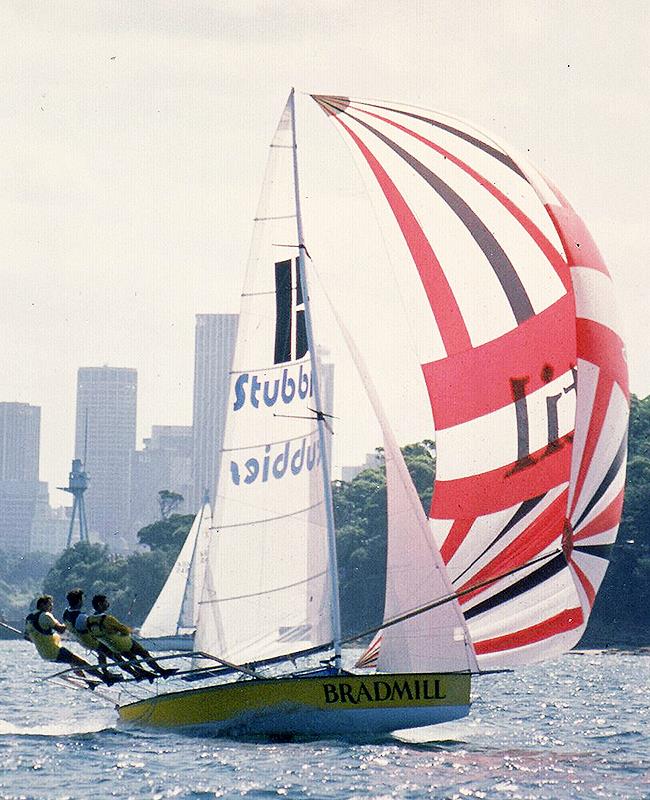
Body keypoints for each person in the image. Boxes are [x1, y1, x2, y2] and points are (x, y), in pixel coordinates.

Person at [24, 595, 119, 687]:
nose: (51, 607)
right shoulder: (46, 615)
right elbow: (60, 629)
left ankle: (89, 682)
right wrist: (69, 624)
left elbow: (27, 637)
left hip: (44, 654)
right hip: (54, 651)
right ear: (42, 605)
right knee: (81, 662)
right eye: (49, 604)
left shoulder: (29, 618)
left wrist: (38, 639)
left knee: (73, 662)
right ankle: (105, 678)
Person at [63, 589, 151, 682]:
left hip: (83, 642)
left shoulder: (66, 613)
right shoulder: (81, 617)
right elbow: (95, 627)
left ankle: (107, 673)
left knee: (102, 654)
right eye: (82, 599)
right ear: (79, 601)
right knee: (118, 656)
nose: (83, 601)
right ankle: (137, 674)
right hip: (92, 641)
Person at [87, 594, 177, 679]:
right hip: (125, 643)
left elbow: (93, 635)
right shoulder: (108, 619)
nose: (108, 604)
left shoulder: (89, 621)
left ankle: (143, 673)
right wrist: (130, 631)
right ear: (100, 604)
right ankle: (160, 671)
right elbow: (124, 630)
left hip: (114, 647)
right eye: (106, 602)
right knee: (143, 653)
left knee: (131, 658)